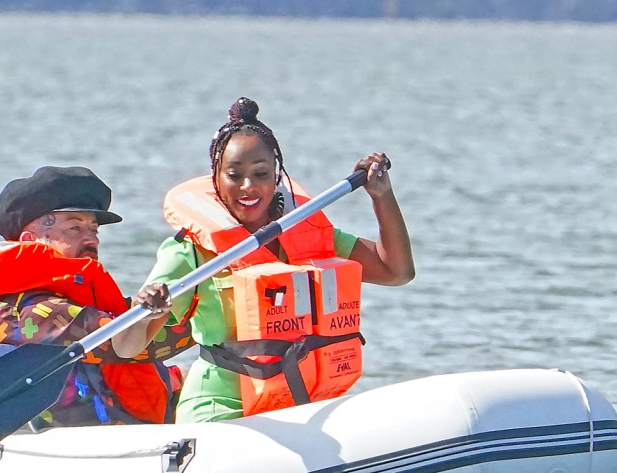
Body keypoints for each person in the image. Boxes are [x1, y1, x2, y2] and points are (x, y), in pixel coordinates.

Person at [145, 97, 415, 423]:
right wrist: (150, 309)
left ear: (277, 177)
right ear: (216, 179)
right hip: (222, 410)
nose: (248, 186)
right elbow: (125, 344)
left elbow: (396, 271)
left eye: (260, 173)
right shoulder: (189, 251)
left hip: (300, 404)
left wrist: (382, 197)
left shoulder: (309, 234)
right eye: (234, 174)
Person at [0, 165, 190, 428]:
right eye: (74, 228)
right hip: (54, 444)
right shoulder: (32, 311)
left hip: (102, 429)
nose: (92, 239)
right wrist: (209, 317)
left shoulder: (71, 301)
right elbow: (135, 345)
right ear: (31, 240)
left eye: (94, 229)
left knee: (185, 376)